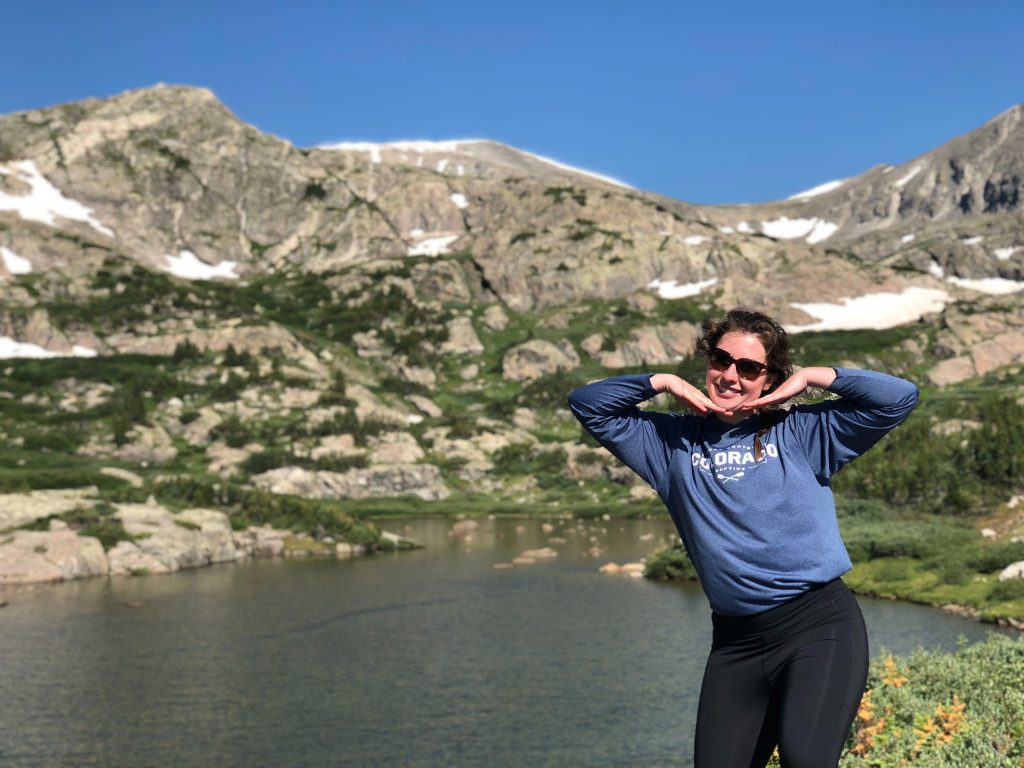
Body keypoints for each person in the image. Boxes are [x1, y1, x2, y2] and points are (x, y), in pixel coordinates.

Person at [567, 308, 919, 768]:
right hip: (736, 644)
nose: (730, 375)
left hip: (819, 627)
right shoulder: (668, 444)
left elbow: (899, 398)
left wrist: (812, 377)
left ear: (770, 377)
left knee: (806, 759)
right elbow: (586, 403)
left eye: (749, 368)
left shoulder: (804, 431)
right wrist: (665, 382)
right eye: (721, 360)